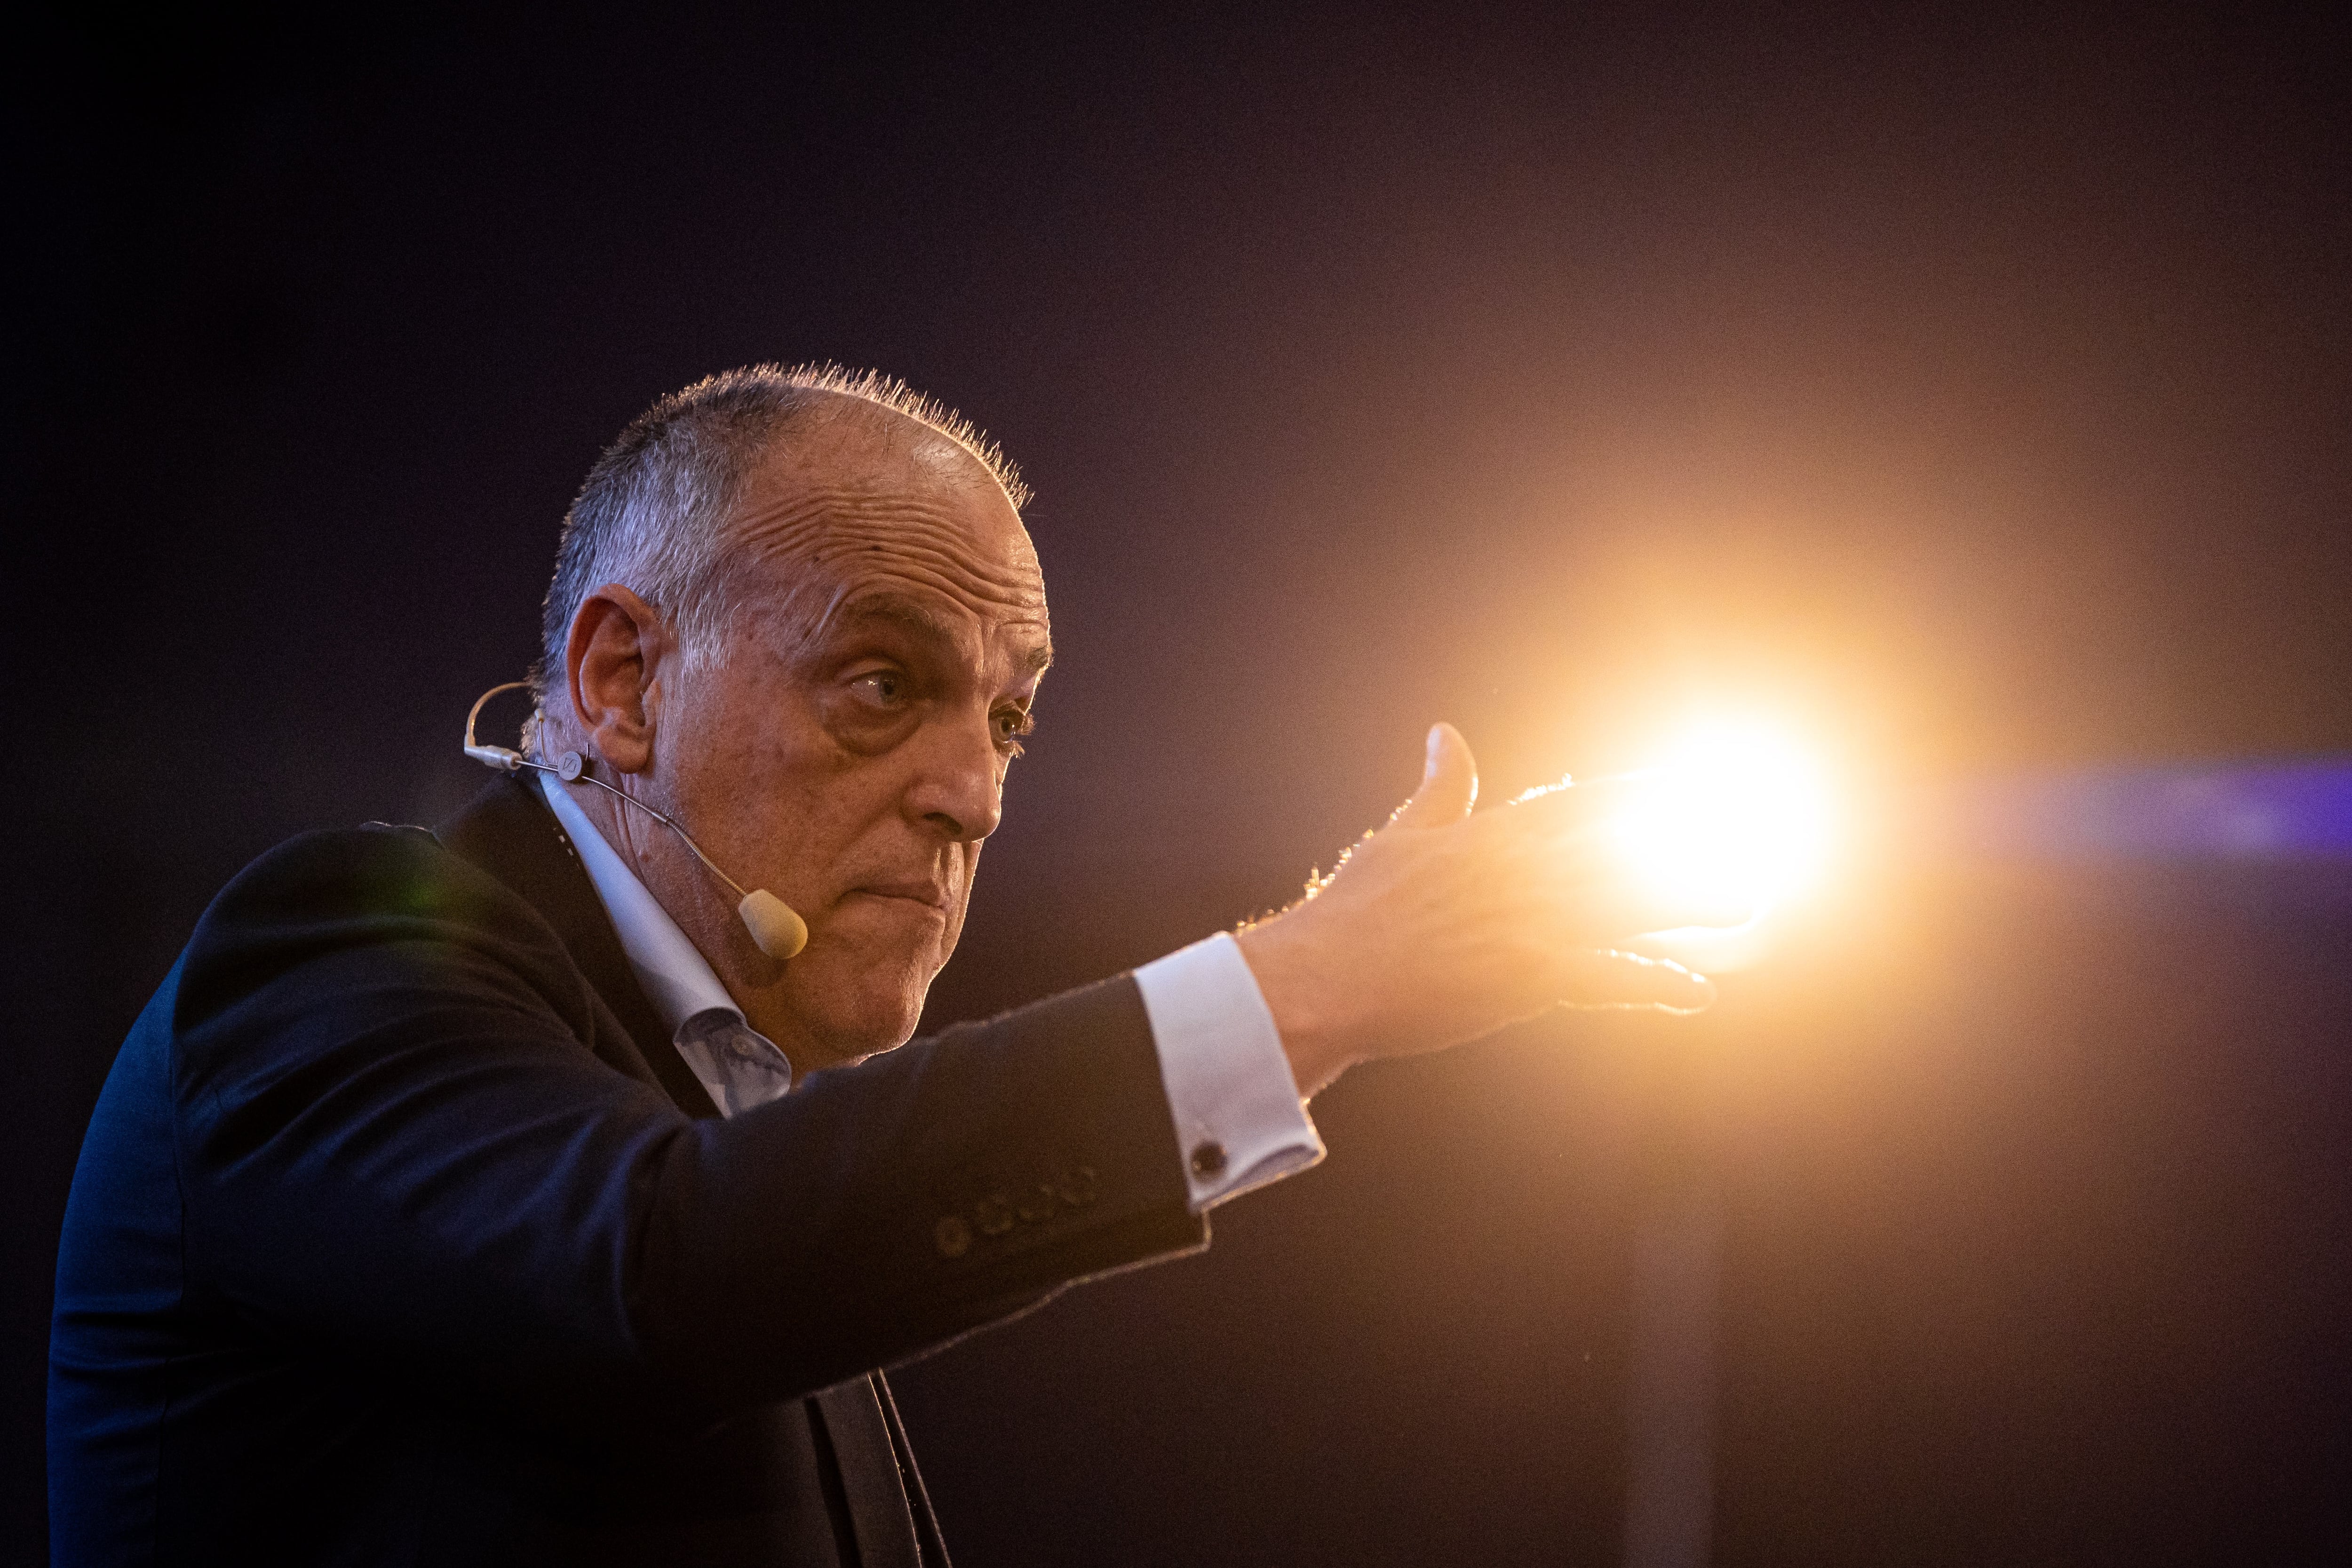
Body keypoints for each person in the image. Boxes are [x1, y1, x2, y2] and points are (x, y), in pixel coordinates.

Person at [48, 366, 1732, 1567]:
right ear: (624, 681)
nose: (975, 792)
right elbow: (657, 1270)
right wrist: (1305, 984)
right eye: (881, 682)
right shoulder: (333, 951)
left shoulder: (735, 1116)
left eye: (1007, 717)